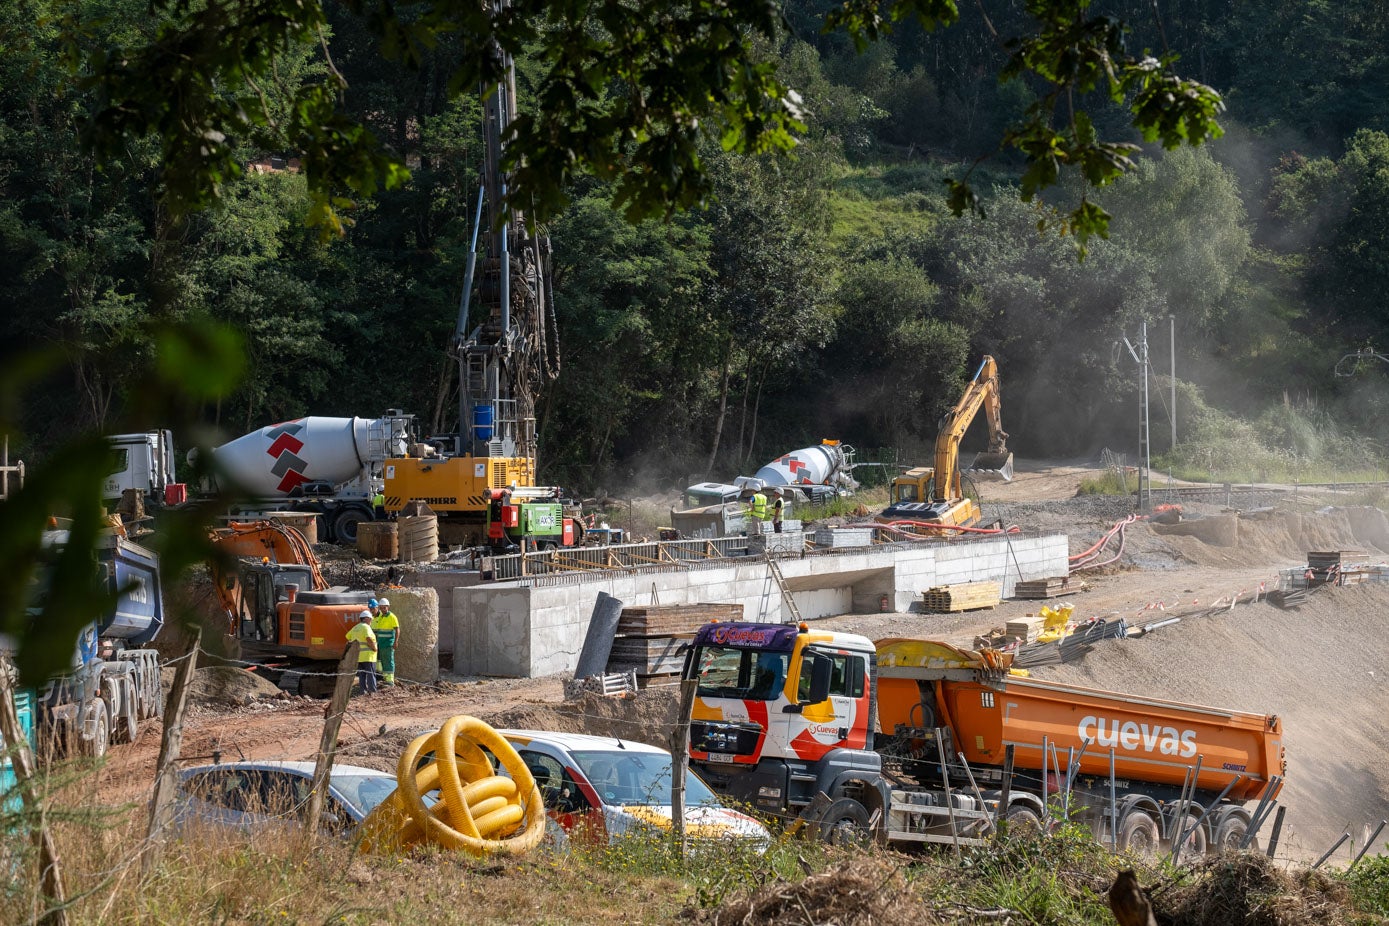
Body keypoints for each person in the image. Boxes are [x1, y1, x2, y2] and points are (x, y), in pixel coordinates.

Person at [345, 609, 379, 696]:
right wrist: (374, 648)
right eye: (370, 619)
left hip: (359, 657)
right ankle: (373, 691)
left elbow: (348, 637)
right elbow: (368, 638)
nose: (371, 621)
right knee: (371, 674)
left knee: (362, 675)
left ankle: (362, 692)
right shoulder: (366, 627)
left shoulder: (355, 628)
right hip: (368, 656)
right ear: (366, 619)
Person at [372, 596, 401, 686]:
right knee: (383, 661)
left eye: (384, 607)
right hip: (381, 643)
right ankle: (385, 678)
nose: (383, 609)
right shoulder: (380, 617)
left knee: (389, 661)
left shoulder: (392, 617)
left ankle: (390, 681)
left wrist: (396, 641)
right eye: (381, 608)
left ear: (388, 607)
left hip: (388, 643)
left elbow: (397, 629)